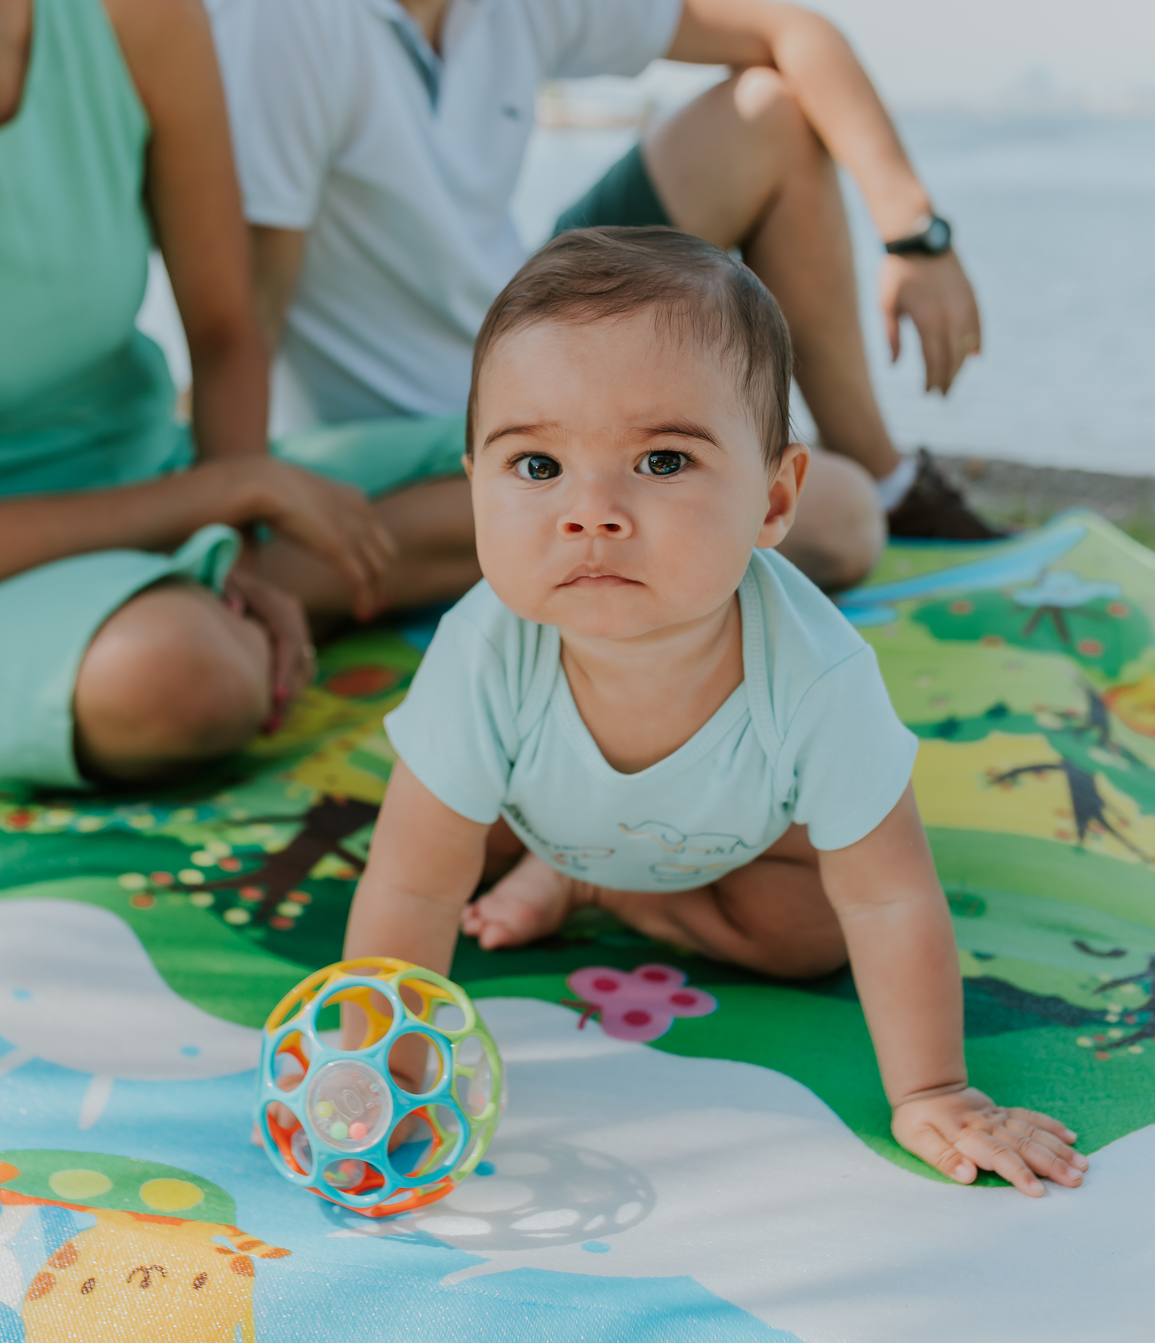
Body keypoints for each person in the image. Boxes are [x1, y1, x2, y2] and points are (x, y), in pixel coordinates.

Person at [209, 0, 999, 619]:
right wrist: (232, 519)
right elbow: (241, 313)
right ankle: (313, 572)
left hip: (522, 368)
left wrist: (913, 234)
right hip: (382, 454)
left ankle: (892, 477)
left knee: (771, 116)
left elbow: (795, 31)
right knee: (822, 521)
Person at [344, 228, 1083, 1197]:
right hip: (534, 805)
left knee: (818, 928)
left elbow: (891, 897)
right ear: (474, 482)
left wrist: (937, 1090)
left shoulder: (816, 675)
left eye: (660, 462)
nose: (592, 512)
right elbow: (411, 893)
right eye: (536, 467)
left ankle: (598, 888)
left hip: (731, 844)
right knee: (427, 842)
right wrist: (386, 1080)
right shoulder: (484, 653)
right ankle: (557, 868)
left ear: (774, 500)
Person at [0, 0, 487, 791]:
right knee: (186, 678)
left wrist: (234, 533)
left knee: (568, 478)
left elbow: (225, 323)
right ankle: (207, 611)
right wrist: (223, 491)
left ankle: (242, 591)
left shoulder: (134, 8)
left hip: (158, 473)